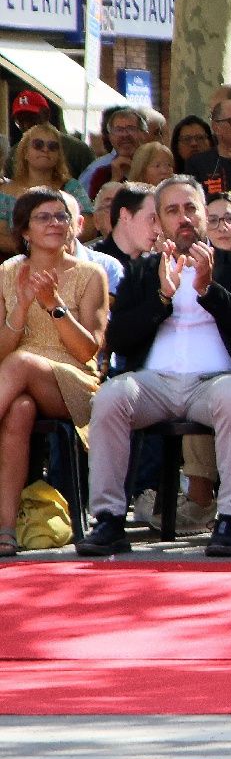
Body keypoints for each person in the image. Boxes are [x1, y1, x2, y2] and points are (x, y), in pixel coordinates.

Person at [73, 177, 231, 558]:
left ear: (203, 214)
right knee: (111, 397)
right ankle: (109, 519)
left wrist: (209, 289)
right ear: (159, 222)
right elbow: (119, 338)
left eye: (190, 208)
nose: (183, 218)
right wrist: (162, 296)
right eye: (172, 210)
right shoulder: (143, 270)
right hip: (155, 384)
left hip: (216, 381)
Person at [0, 188, 109, 556]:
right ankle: (6, 530)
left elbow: (87, 350)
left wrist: (54, 306)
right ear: (25, 231)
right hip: (17, 385)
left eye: (61, 216)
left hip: (73, 381)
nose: (55, 223)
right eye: (44, 217)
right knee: (19, 411)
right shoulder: (8, 272)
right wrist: (22, 307)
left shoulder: (90, 273)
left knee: (22, 363)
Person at [0, 125, 94, 255]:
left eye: (52, 146)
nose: (45, 150)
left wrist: (53, 245)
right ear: (25, 153)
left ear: (58, 155)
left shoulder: (71, 187)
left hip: (63, 259)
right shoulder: (5, 191)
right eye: (38, 144)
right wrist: (36, 247)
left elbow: (88, 228)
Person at [9, 89, 94, 178]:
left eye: (31, 118)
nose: (26, 125)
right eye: (20, 121)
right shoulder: (14, 154)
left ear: (46, 114)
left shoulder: (77, 150)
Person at [80, 106, 149, 192]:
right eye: (119, 130)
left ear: (144, 135)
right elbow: (91, 204)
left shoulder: (156, 167)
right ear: (110, 137)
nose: (125, 135)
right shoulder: (99, 173)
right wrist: (115, 179)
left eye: (131, 129)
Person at [91, 183, 158, 263]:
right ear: (125, 215)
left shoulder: (158, 266)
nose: (158, 229)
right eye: (152, 219)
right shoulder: (89, 260)